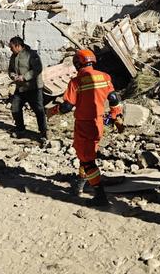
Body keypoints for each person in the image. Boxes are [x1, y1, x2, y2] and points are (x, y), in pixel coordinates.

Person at [47, 49, 123, 206]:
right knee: (85, 155)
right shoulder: (105, 77)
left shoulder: (76, 81)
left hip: (84, 124)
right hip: (99, 122)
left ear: (77, 63)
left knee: (88, 161)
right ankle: (80, 185)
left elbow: (67, 106)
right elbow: (114, 98)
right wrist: (115, 117)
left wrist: (52, 111)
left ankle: (100, 196)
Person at [8, 36, 47, 139]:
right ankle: (20, 129)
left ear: (18, 46)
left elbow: (38, 69)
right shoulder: (13, 56)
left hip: (33, 88)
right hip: (20, 88)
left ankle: (43, 133)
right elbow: (10, 69)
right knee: (15, 108)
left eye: (12, 47)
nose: (10, 49)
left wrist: (24, 77)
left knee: (38, 110)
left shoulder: (32, 55)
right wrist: (13, 75)